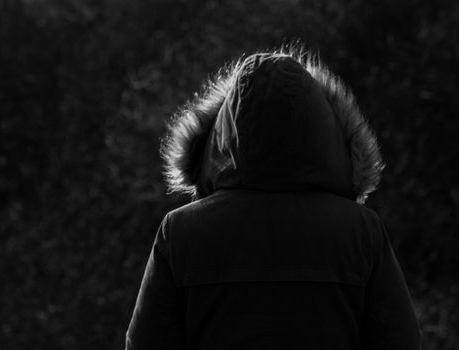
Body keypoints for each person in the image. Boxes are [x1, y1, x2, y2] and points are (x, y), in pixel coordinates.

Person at [125, 50, 422, 350]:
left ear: (221, 133)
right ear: (326, 130)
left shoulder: (180, 233)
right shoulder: (361, 233)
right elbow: (400, 342)